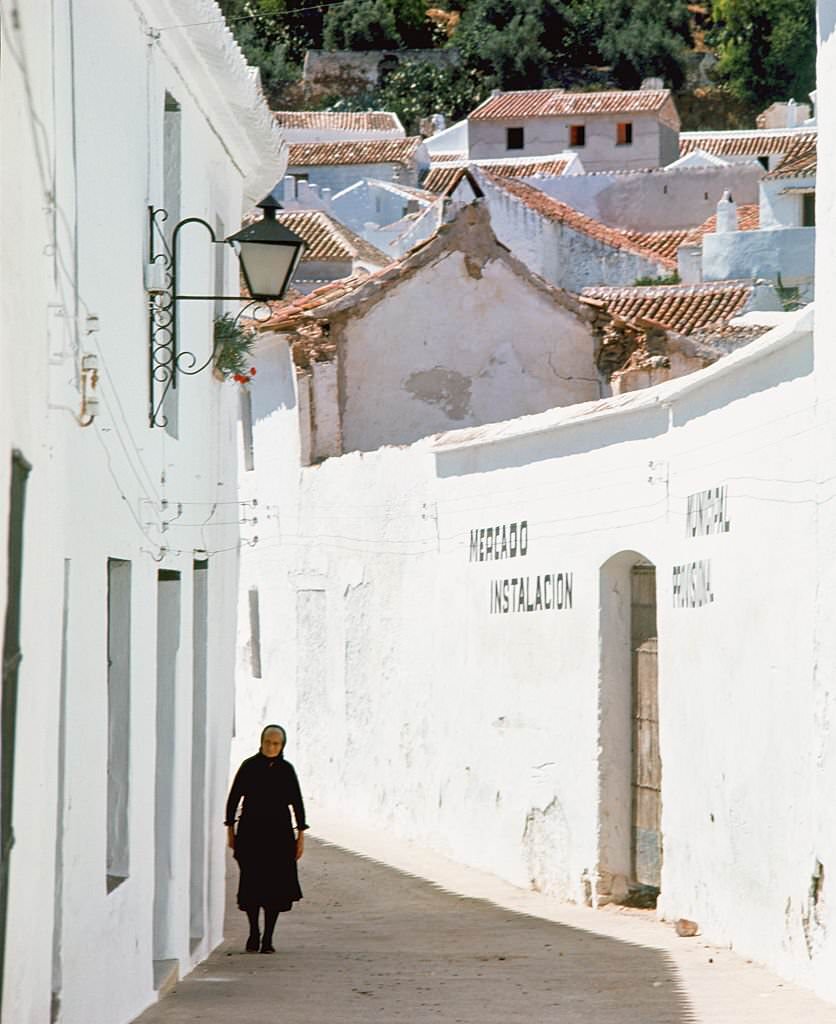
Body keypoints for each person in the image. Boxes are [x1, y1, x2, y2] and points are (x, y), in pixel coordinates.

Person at [225, 724, 308, 953]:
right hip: (251, 833)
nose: (271, 747)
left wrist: (300, 835)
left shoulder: (287, 770)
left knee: (275, 887)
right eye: (268, 742)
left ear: (282, 746)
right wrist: (230, 830)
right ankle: (253, 932)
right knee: (252, 883)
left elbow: (297, 803)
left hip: (279, 835)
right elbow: (234, 799)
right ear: (261, 742)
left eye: (276, 743)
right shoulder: (249, 767)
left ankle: (268, 938)